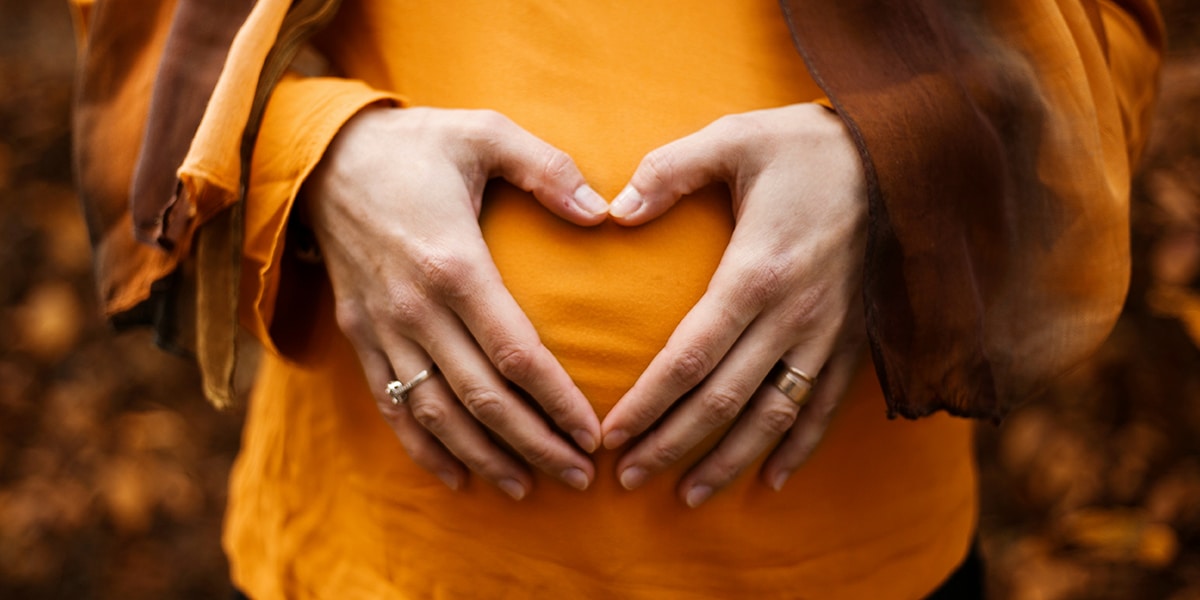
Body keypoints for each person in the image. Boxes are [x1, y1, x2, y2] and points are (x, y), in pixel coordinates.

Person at [71, 0, 1164, 597]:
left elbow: (1105, 43)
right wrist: (314, 157)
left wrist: (897, 167)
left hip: (853, 569)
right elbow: (152, 25)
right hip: (385, 562)